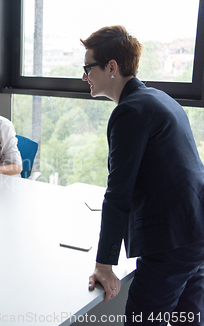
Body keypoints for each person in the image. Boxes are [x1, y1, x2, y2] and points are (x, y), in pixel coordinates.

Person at [82, 25, 204, 325]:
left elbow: (118, 194)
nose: (83, 76)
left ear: (112, 67)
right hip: (195, 231)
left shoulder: (130, 111)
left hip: (172, 241)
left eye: (88, 68)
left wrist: (104, 264)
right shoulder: (159, 98)